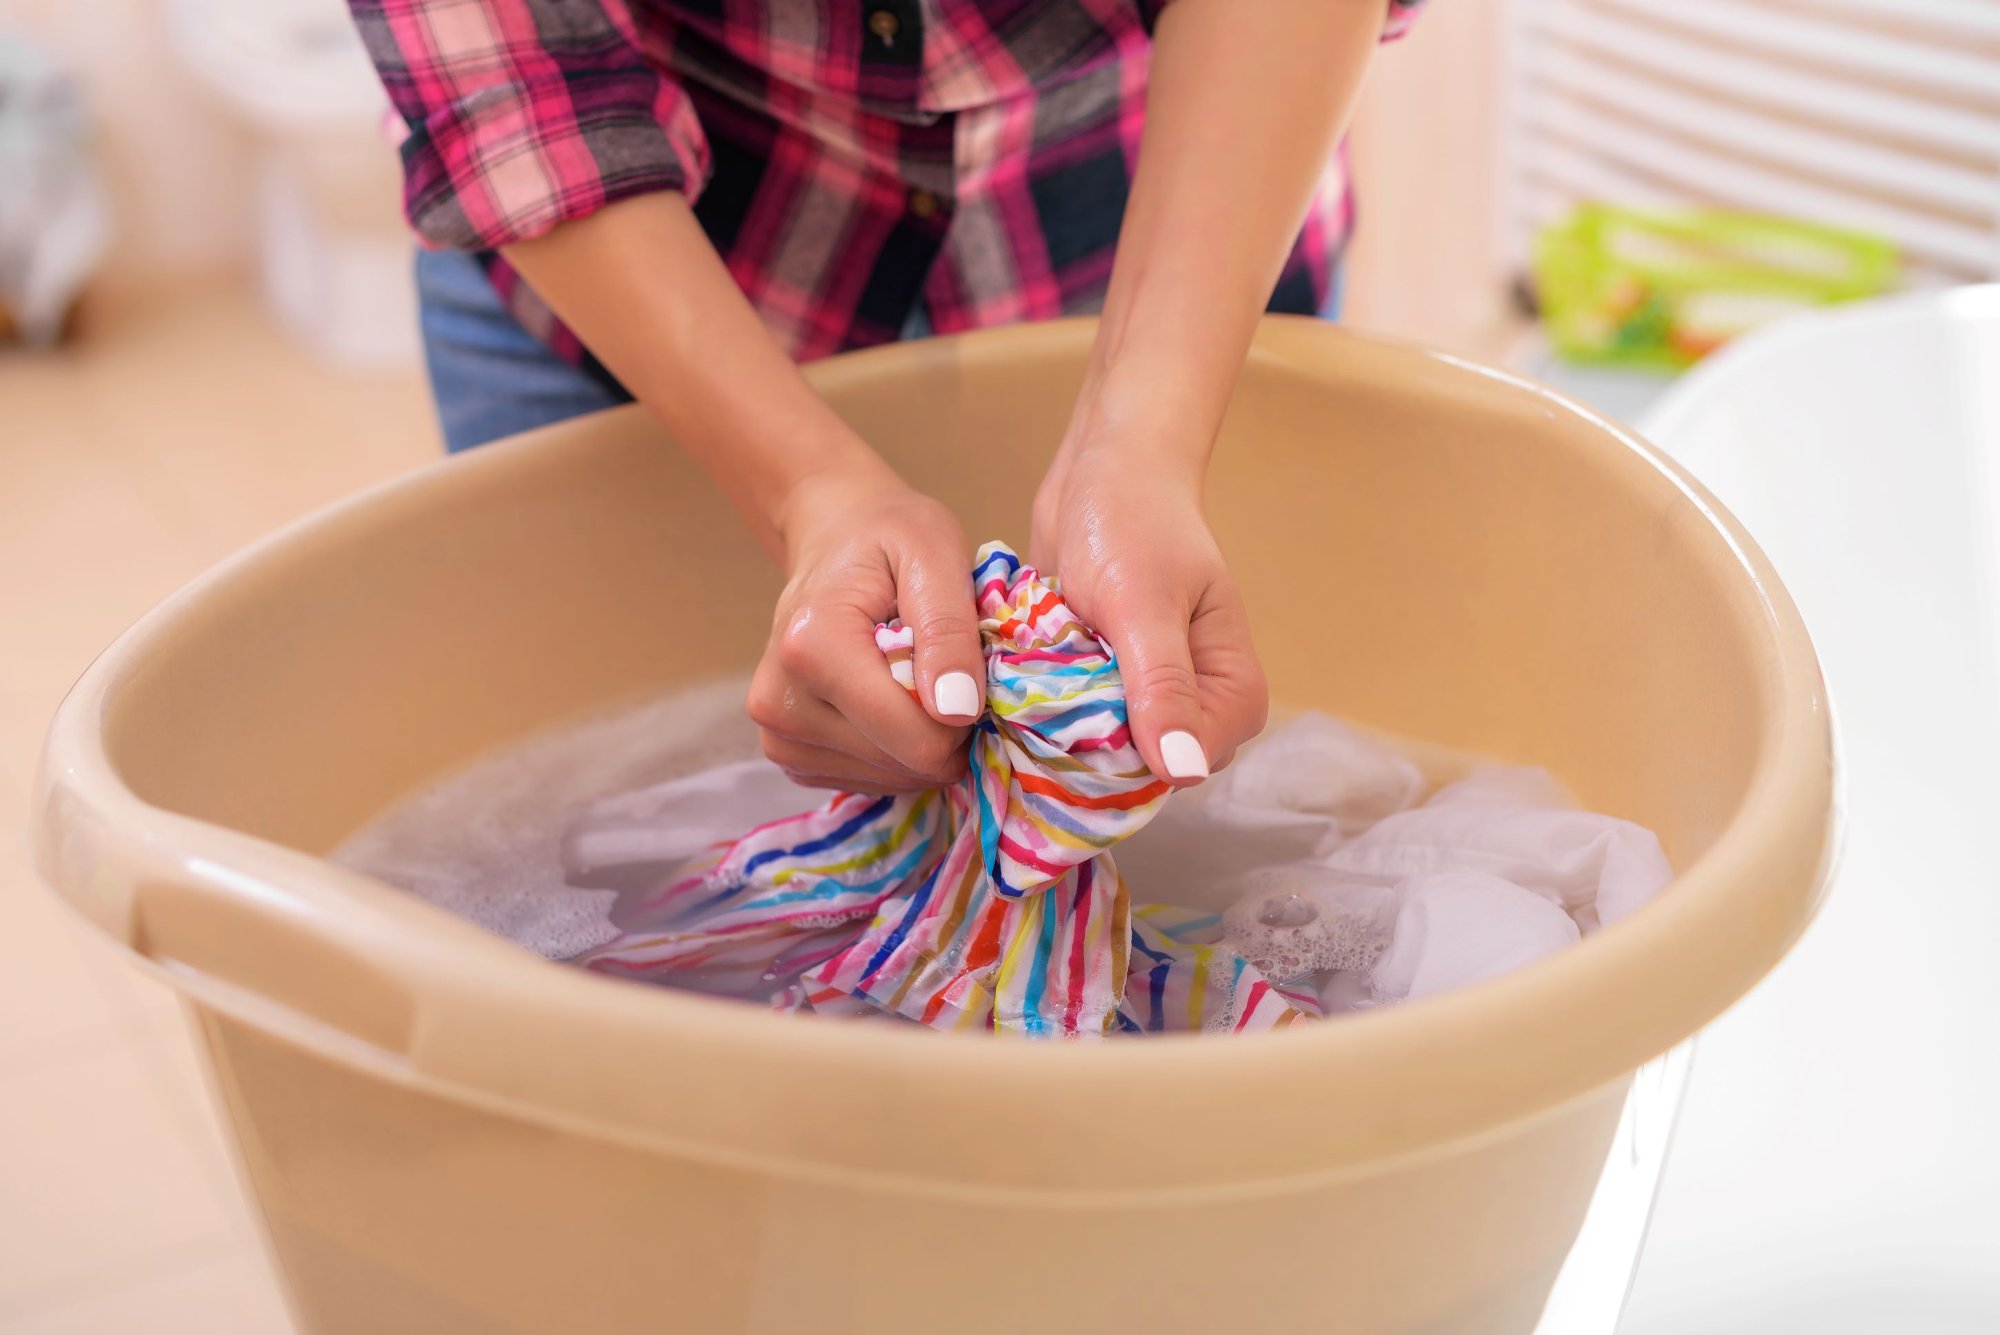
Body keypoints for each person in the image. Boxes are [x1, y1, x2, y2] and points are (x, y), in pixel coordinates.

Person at [348, 0, 1422, 798]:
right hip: (639, 257)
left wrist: (1140, 439)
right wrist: (806, 495)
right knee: (607, 814)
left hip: (1150, 197)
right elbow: (520, 95)